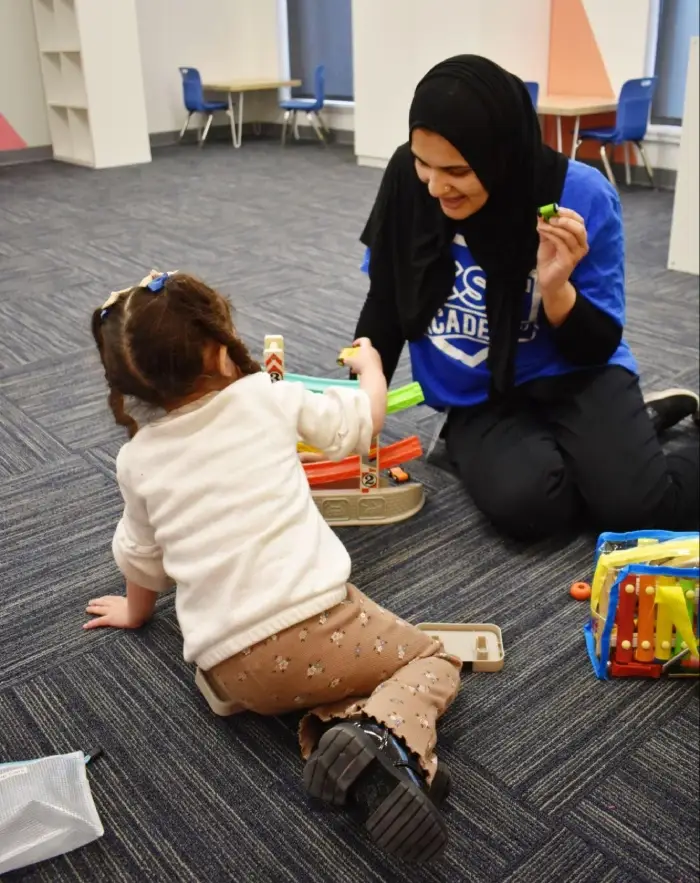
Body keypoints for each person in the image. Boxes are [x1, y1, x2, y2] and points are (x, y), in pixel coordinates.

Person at [84, 270, 461, 863]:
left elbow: (141, 554)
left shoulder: (136, 459)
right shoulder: (266, 397)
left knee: (309, 673)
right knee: (433, 661)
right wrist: (372, 371)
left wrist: (135, 612)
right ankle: (380, 733)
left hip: (229, 669)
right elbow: (363, 424)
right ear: (218, 350)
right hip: (319, 627)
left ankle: (339, 736)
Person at [354, 55, 699, 542]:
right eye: (422, 163)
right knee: (530, 510)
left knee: (634, 510)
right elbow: (386, 303)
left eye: (456, 170)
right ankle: (623, 439)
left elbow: (595, 345)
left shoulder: (577, 195)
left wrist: (556, 288)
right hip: (479, 393)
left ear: (500, 156)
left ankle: (633, 438)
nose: (435, 186)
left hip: (575, 373)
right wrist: (358, 400)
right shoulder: (408, 181)